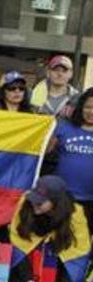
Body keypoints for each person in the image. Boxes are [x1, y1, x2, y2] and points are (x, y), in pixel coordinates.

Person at [8, 176, 91, 282]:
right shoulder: (26, 203)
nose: (34, 204)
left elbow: (76, 255)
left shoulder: (75, 215)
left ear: (55, 202)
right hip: (26, 263)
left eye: (40, 202)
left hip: (58, 262)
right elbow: (18, 246)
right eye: (34, 199)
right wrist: (28, 281)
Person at [49, 87, 93, 237]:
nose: (91, 112)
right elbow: (44, 152)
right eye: (88, 107)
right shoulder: (64, 127)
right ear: (80, 107)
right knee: (59, 240)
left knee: (85, 242)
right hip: (63, 197)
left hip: (90, 200)